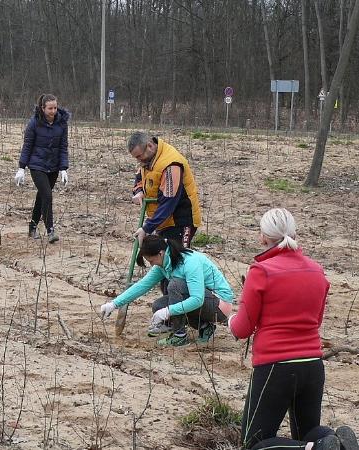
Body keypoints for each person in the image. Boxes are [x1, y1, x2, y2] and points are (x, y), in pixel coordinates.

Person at [228, 209, 357, 450]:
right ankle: (337, 442)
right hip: (313, 365)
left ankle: (316, 448)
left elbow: (242, 328)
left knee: (253, 444)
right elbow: (315, 322)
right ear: (294, 233)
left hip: (275, 367)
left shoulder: (261, 271)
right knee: (309, 433)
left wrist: (229, 318)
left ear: (263, 237)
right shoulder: (317, 271)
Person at [99, 234, 234, 346]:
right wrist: (114, 304)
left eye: (151, 260)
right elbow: (142, 285)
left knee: (175, 286)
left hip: (219, 306)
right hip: (205, 301)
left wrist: (169, 311)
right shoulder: (164, 263)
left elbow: (197, 299)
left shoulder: (189, 262)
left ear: (161, 253)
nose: (151, 264)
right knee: (159, 306)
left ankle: (179, 336)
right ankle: (205, 326)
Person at [127, 131, 201, 247]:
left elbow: (169, 202)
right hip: (163, 221)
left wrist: (147, 228)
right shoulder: (148, 159)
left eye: (139, 156)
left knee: (178, 259)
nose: (139, 161)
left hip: (180, 221)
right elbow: (140, 176)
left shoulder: (171, 165)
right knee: (164, 258)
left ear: (150, 146)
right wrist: (139, 191)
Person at [14, 94, 69, 243]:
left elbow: (63, 147)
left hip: (54, 167)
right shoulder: (34, 123)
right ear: (43, 108)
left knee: (42, 197)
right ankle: (50, 230)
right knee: (47, 196)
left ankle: (32, 227)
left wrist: (64, 168)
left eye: (55, 108)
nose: (53, 111)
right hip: (37, 165)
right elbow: (27, 146)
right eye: (50, 108)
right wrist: (21, 167)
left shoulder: (62, 124)